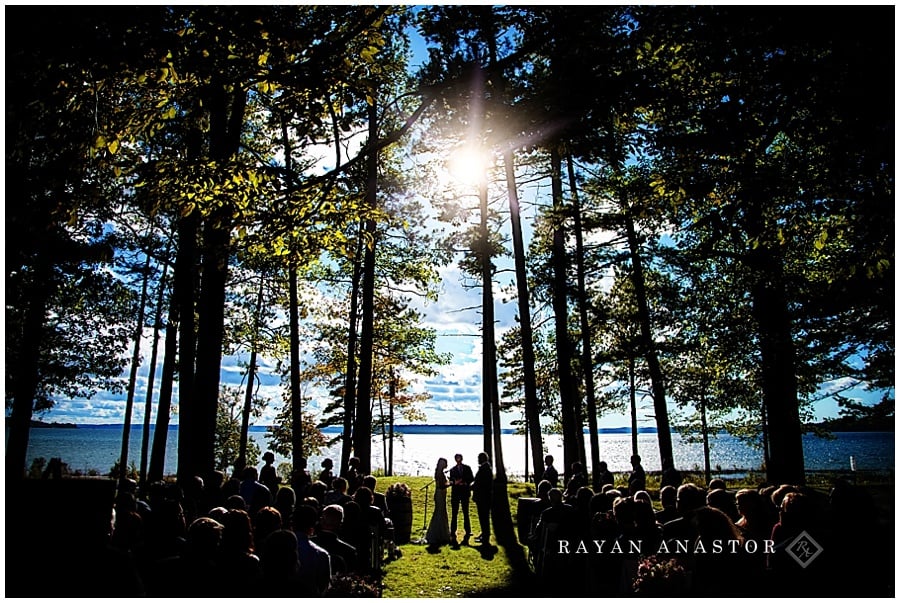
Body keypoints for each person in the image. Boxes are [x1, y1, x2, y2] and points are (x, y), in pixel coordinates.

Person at [424, 458, 452, 547]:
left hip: (441, 494)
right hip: (440, 494)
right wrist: (451, 483)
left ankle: (441, 533)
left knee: (441, 513)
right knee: (440, 513)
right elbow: (442, 485)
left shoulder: (440, 472)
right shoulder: (440, 474)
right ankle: (440, 534)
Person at [448, 453, 474, 545]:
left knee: (466, 513)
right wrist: (455, 482)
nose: (458, 459)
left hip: (465, 493)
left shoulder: (467, 468)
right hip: (455, 493)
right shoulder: (452, 469)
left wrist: (465, 483)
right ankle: (452, 531)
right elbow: (451, 480)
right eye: (457, 458)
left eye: (459, 458)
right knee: (454, 513)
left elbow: (471, 478)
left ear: (462, 459)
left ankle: (468, 531)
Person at [472, 452, 493, 545]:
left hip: (483, 498)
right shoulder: (487, 468)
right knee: (484, 518)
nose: (477, 460)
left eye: (479, 458)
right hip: (485, 497)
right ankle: (484, 534)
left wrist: (471, 486)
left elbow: (480, 483)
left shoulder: (484, 469)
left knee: (483, 517)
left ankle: (485, 536)